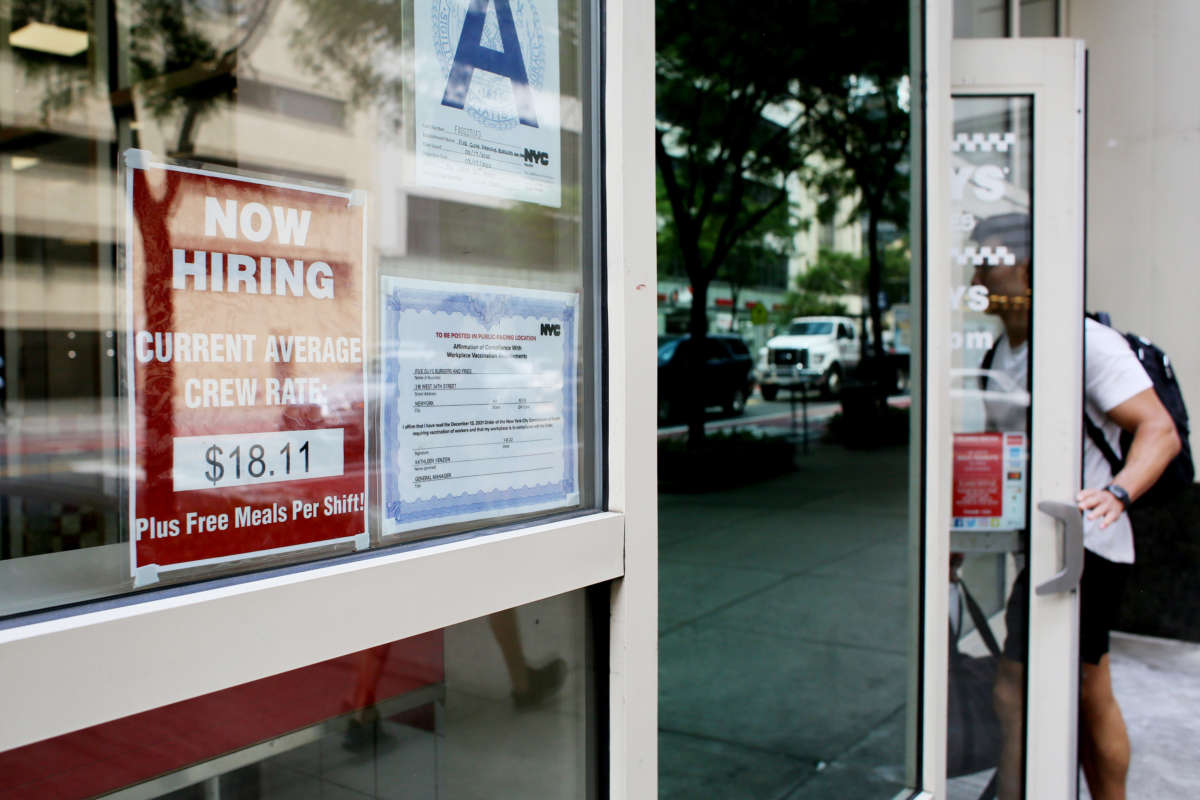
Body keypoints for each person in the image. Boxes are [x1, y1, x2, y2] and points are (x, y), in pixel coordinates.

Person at [969, 212, 1180, 800]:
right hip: (1041, 546)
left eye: (990, 257)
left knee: (1019, 688)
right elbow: (999, 455)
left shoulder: (1083, 340)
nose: (977, 271)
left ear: (1030, 269)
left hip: (1083, 549)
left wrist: (1116, 494)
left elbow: (1159, 431)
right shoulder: (1000, 351)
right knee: (1086, 692)